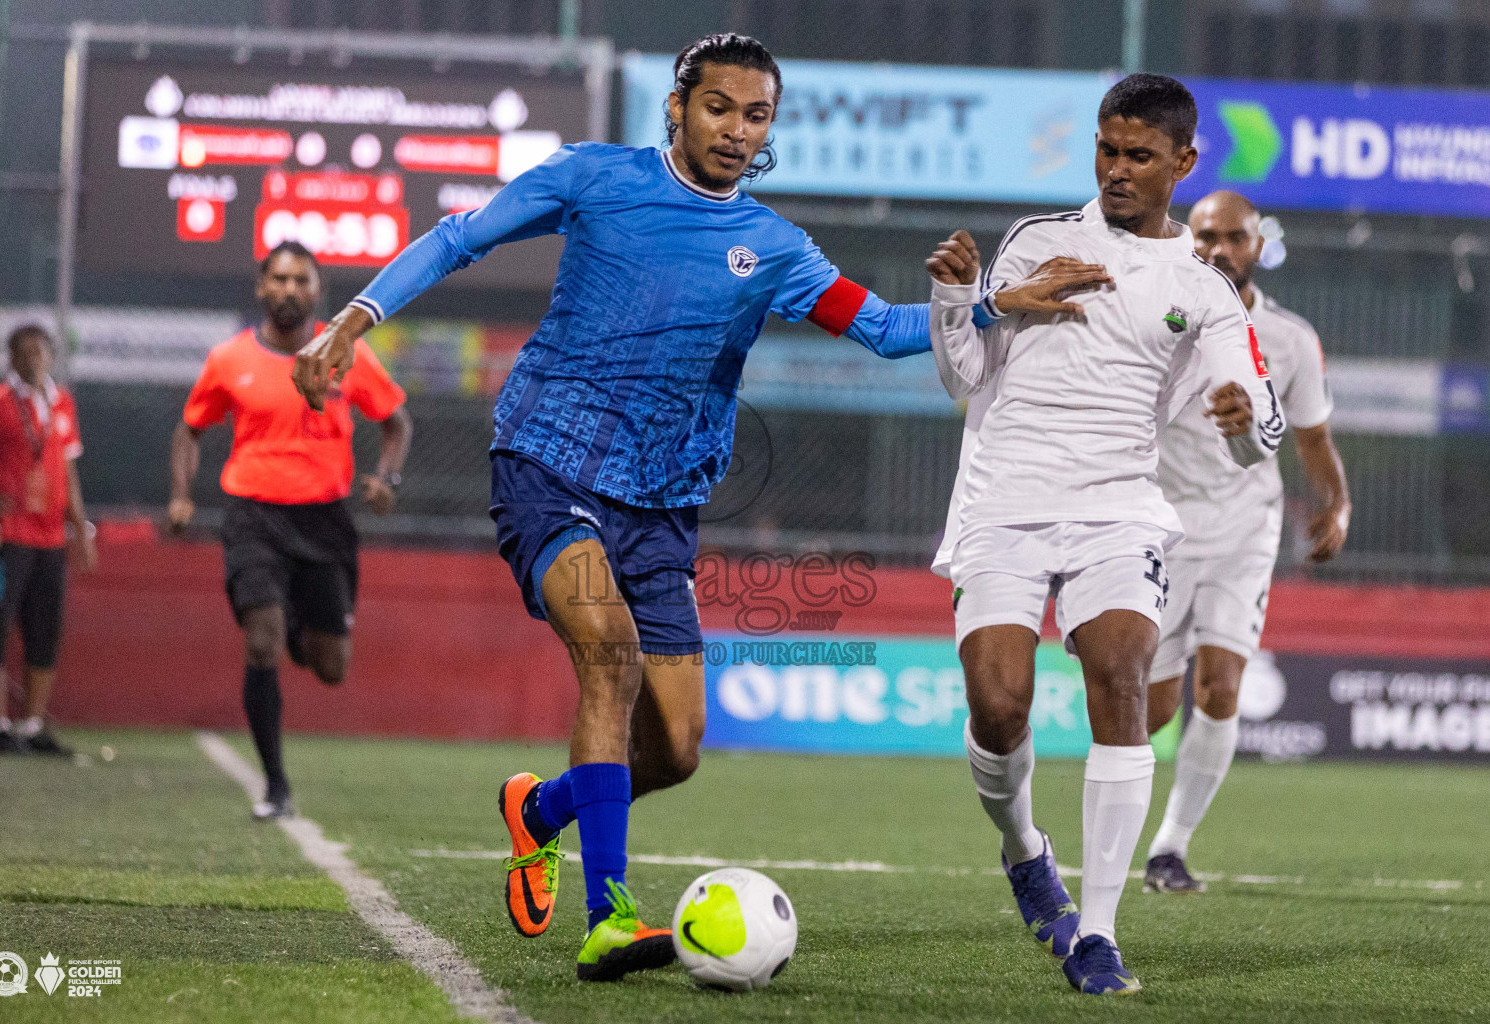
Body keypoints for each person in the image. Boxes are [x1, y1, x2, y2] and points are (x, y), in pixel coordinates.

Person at [291, 33, 1090, 982]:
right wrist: (356, 316)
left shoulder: (777, 248)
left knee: (674, 749)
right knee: (610, 658)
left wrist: (995, 302)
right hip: (549, 463)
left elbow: (880, 328)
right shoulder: (592, 178)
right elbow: (460, 235)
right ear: (678, 107)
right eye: (719, 108)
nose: (736, 130)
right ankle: (610, 915)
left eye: (756, 117)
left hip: (661, 509)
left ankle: (540, 811)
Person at [926, 74, 1285, 995]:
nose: (1117, 171)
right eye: (1105, 150)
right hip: (1003, 501)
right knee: (999, 706)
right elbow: (964, 375)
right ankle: (1023, 848)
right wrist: (963, 297)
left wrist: (1244, 419)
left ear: (1183, 163)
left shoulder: (1204, 290)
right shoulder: (1039, 240)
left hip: (1118, 507)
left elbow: (1259, 438)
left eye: (1138, 156)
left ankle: (1099, 933)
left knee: (1121, 674)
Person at [1141, 191, 1348, 894]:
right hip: (1161, 528)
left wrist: (1337, 503)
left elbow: (1314, 435)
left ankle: (1170, 848)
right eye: (1205, 238)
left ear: (1258, 246)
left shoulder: (1291, 338)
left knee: (1221, 687)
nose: (1219, 250)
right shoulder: (1155, 319)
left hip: (1243, 529)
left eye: (1234, 238)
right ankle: (1111, 830)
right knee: (1153, 709)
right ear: (1185, 241)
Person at [169, 241, 411, 820]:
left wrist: (387, 477)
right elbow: (189, 431)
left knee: (331, 667)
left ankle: (299, 626)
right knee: (261, 642)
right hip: (253, 515)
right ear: (260, 287)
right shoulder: (228, 360)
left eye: (300, 280)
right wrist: (180, 496)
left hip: (325, 522)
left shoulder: (346, 352)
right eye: (277, 278)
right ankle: (275, 786)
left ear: (317, 290)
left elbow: (396, 421)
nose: (288, 289)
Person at [0, 325, 97, 756]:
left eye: (41, 351)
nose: (34, 359)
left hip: (50, 534)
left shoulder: (63, 401)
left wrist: (80, 526)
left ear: (51, 355)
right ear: (10, 357)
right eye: (25, 352)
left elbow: (68, 469)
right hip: (7, 532)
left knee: (46, 628)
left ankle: (31, 724)